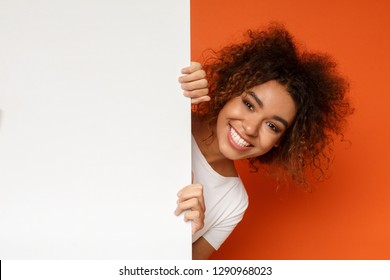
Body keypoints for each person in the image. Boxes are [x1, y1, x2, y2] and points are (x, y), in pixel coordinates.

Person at [174, 23, 353, 260]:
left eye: (272, 126)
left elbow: (180, 271)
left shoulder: (233, 203)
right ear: (230, 90)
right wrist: (170, 83)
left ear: (281, 141)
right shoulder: (174, 115)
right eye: (249, 104)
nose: (250, 128)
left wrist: (178, 234)